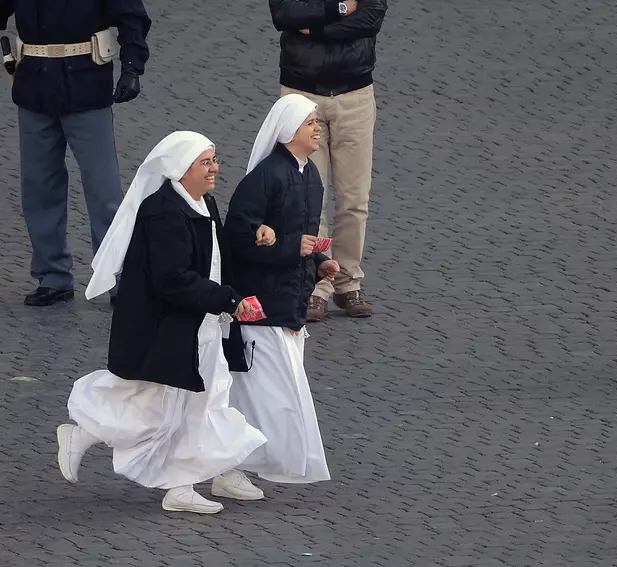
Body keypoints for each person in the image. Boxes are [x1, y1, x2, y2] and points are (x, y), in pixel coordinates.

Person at [56, 132, 277, 515]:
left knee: (201, 402)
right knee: (159, 404)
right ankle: (87, 433)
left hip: (200, 322)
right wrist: (228, 299)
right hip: (169, 327)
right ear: (181, 168)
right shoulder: (162, 211)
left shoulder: (202, 201)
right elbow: (171, 279)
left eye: (214, 160)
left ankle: (184, 484)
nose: (215, 169)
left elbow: (214, 257)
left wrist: (232, 294)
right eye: (205, 162)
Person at [0, 0, 151, 306]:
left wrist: (132, 68)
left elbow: (132, 18)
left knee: (104, 192)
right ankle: (52, 276)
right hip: (34, 89)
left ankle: (116, 277)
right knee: (39, 188)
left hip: (85, 88)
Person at [224, 94, 339, 484]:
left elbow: (304, 236)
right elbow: (239, 237)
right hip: (264, 307)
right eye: (310, 123)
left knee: (273, 397)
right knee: (270, 398)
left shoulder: (310, 175)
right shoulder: (267, 176)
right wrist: (294, 248)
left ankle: (241, 466)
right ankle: (236, 465)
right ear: (290, 129)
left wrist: (320, 263)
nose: (317, 129)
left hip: (289, 303)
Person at [269, 0, 388, 319]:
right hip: (301, 96)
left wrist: (314, 27)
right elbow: (284, 15)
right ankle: (316, 286)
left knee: (354, 199)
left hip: (355, 95)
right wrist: (341, 8)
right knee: (308, 198)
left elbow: (370, 19)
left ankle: (348, 282)